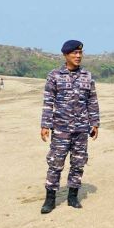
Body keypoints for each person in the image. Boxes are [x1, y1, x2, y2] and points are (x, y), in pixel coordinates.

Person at [40, 40, 100, 214]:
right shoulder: (54, 75)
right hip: (61, 129)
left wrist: (95, 123)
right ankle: (50, 199)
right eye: (74, 53)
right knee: (55, 163)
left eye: (80, 53)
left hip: (81, 129)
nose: (78, 56)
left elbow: (92, 101)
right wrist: (45, 124)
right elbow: (48, 102)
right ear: (66, 55)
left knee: (78, 163)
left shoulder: (87, 76)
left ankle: (72, 196)